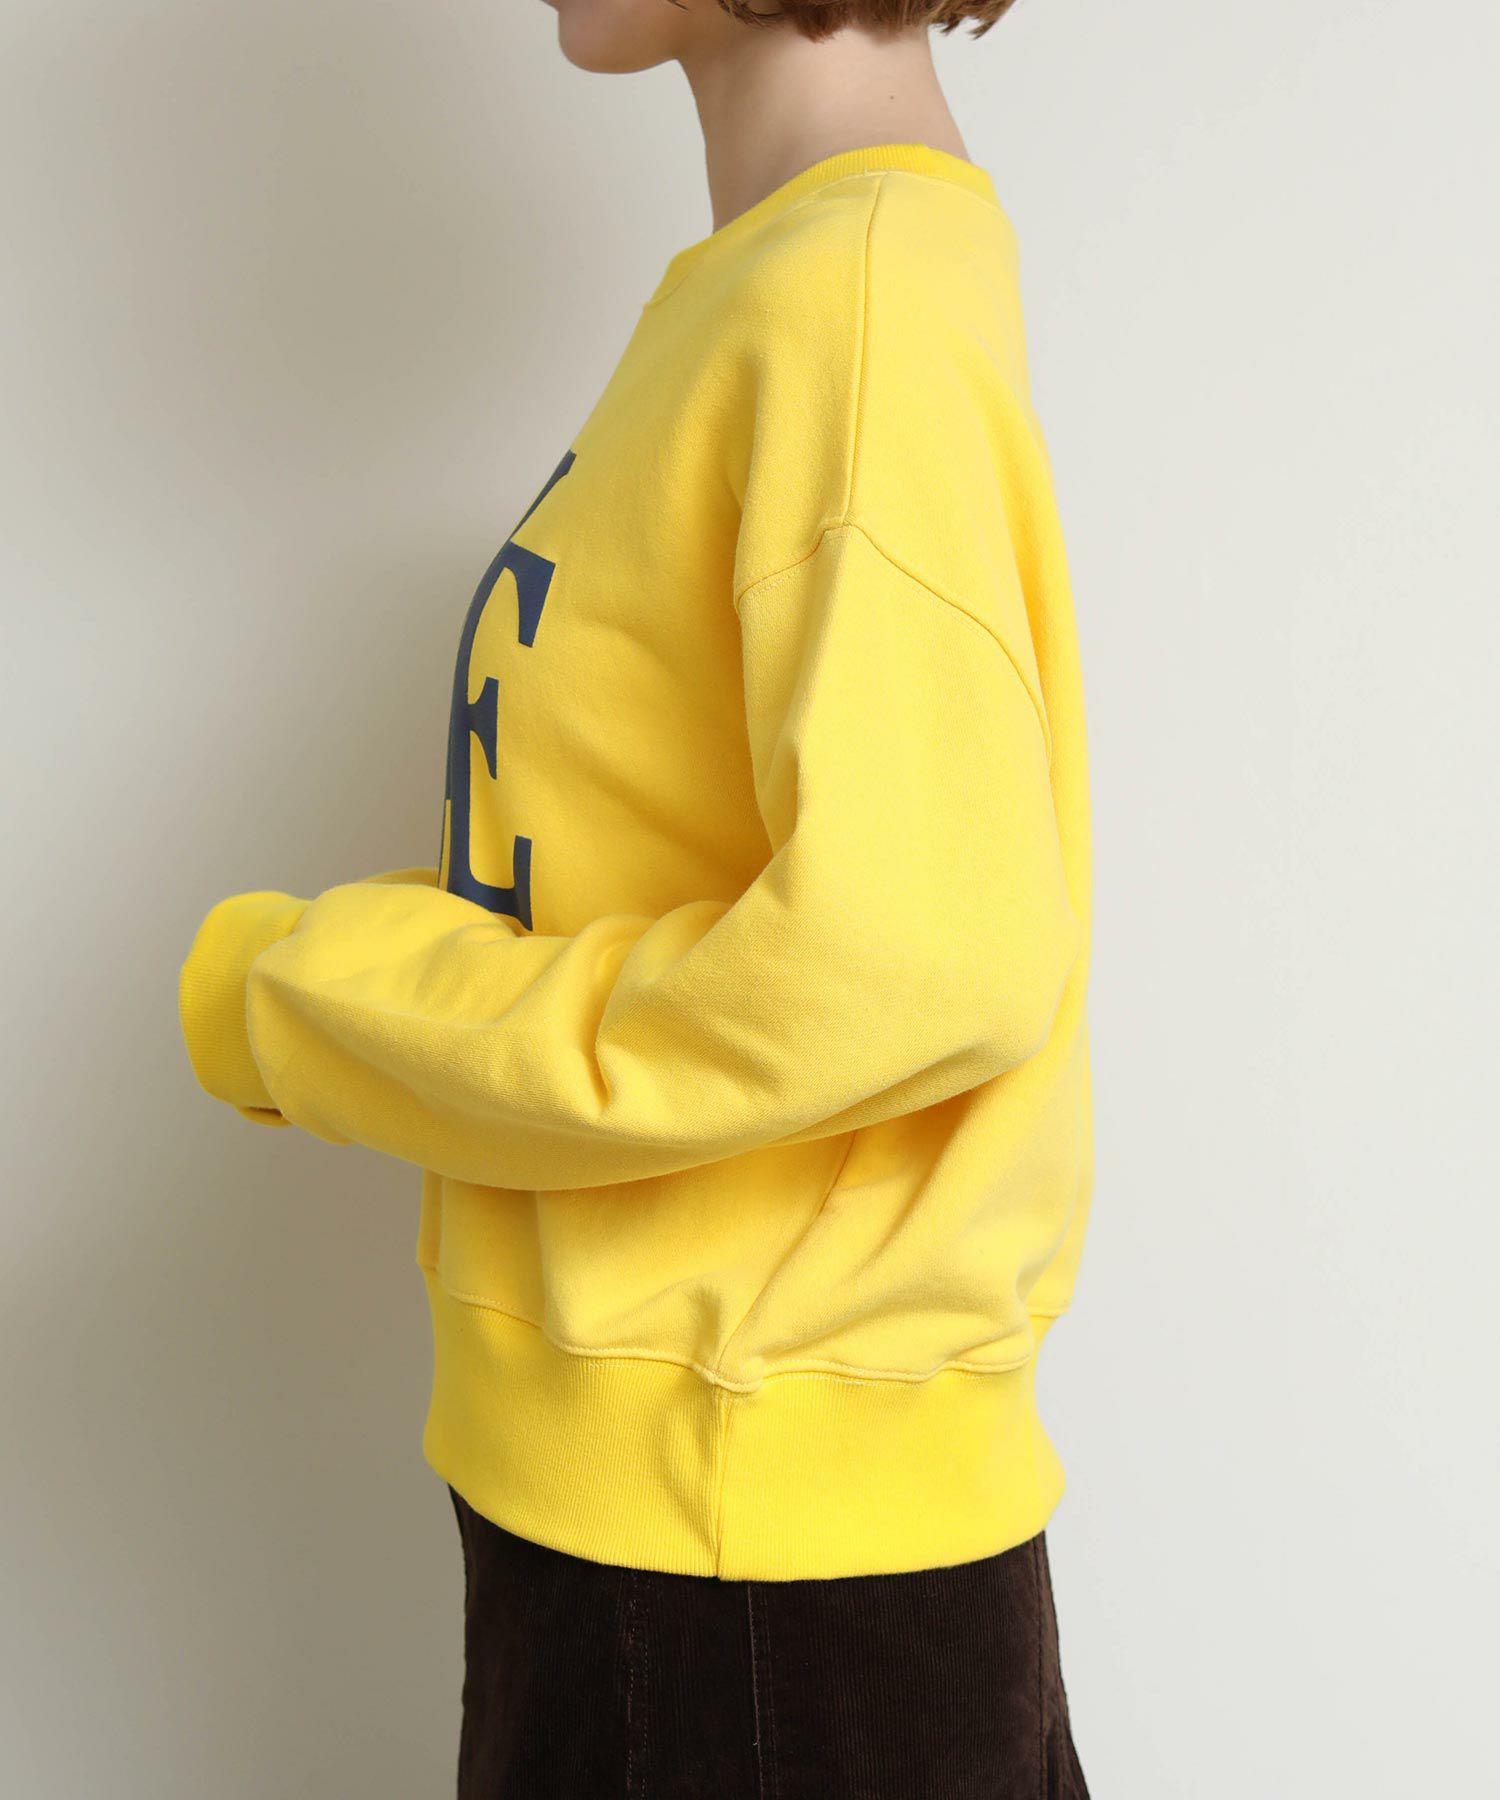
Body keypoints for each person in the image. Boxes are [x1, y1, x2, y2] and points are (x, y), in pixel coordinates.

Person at [177, 1, 1095, 1793]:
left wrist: (307, 997)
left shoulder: (854, 301)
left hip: (742, 1579)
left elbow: (920, 949)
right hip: (692, 1552)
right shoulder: (786, 287)